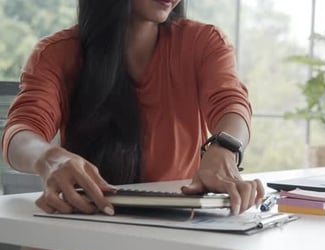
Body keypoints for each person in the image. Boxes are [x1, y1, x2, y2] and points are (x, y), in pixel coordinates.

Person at [1, 0, 264, 216]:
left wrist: (224, 148)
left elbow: (231, 102)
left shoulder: (203, 42)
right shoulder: (56, 53)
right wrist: (50, 158)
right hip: (88, 227)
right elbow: (21, 132)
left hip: (183, 231)